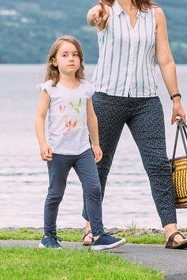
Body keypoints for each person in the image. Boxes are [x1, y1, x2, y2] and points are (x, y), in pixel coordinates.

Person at [85, 0, 187, 250]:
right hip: (107, 98)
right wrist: (95, 17)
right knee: (98, 164)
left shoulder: (154, 14)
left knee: (158, 165)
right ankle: (90, 228)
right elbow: (92, 17)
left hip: (146, 100)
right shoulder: (104, 10)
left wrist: (176, 99)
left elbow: (165, 59)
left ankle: (172, 232)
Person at [34, 35, 127, 251]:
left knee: (94, 188)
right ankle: (48, 236)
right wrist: (42, 144)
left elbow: (91, 117)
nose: (71, 59)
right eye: (65, 55)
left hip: (82, 150)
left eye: (75, 55)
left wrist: (95, 144)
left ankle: (98, 235)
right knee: (56, 193)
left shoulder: (86, 88)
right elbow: (39, 117)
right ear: (54, 61)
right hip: (58, 151)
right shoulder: (50, 88)